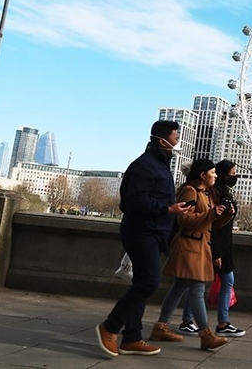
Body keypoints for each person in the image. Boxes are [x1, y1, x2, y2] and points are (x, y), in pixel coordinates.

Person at [95, 120, 193, 357]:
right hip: (141, 232)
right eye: (175, 137)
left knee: (141, 282)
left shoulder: (159, 165)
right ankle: (109, 327)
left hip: (153, 232)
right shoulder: (144, 166)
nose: (177, 141)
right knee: (148, 282)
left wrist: (172, 210)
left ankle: (132, 338)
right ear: (161, 140)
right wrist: (168, 210)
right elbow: (130, 202)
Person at [150, 158, 233, 351]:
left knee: (179, 287)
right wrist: (212, 213)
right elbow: (184, 220)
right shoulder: (190, 191)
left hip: (200, 246)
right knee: (197, 290)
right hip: (190, 246)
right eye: (212, 173)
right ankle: (206, 334)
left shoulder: (207, 193)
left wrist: (225, 215)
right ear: (203, 175)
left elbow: (209, 223)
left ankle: (161, 326)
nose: (215, 176)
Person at [177, 159, 246, 338]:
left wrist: (227, 215)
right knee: (201, 285)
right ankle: (212, 326)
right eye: (232, 173)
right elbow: (208, 224)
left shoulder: (220, 192)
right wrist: (216, 251)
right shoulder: (206, 193)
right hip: (211, 245)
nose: (235, 176)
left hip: (219, 245)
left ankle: (183, 321)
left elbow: (217, 221)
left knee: (188, 285)